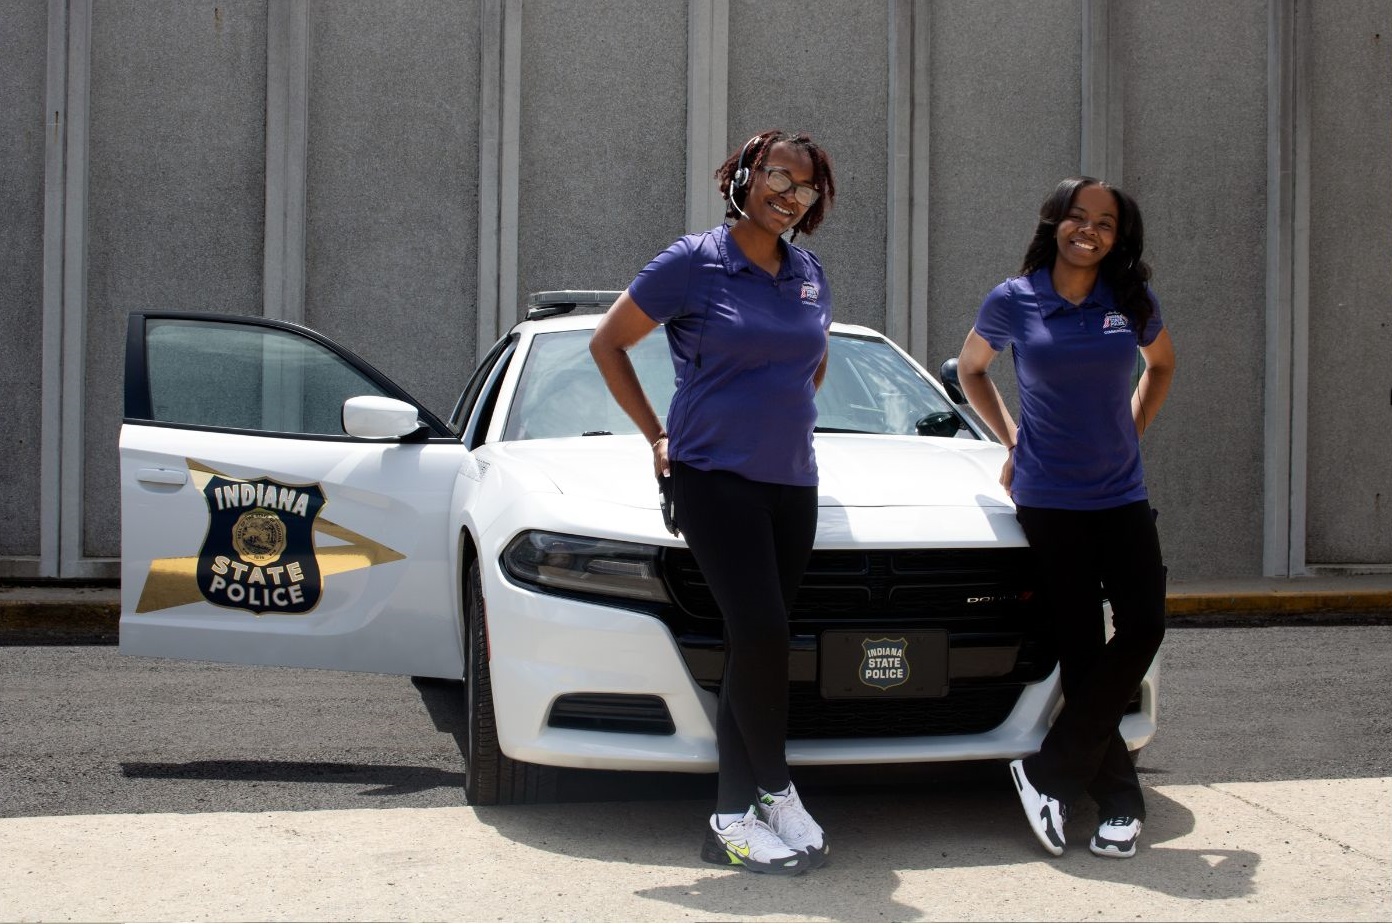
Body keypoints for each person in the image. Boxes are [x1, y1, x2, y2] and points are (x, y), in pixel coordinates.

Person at [590, 130, 836, 875]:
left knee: (756, 646)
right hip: (712, 478)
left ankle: (741, 812)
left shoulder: (809, 273)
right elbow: (608, 343)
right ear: (745, 175)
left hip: (793, 482)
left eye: (805, 187)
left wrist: (780, 409)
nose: (790, 195)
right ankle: (767, 792)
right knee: (761, 635)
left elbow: (813, 361)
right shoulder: (694, 261)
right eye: (778, 177)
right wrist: (657, 435)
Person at [956, 176, 1176, 860]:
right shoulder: (1013, 299)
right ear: (1055, 222)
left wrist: (1132, 428)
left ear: (1119, 237)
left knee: (1145, 623)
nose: (1090, 231)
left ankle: (1049, 773)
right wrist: (1011, 440)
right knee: (1081, 648)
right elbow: (971, 369)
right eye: (1079, 217)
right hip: (1050, 498)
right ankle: (1119, 804)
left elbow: (1162, 366)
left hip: (1121, 493)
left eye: (1106, 223)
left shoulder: (1129, 299)